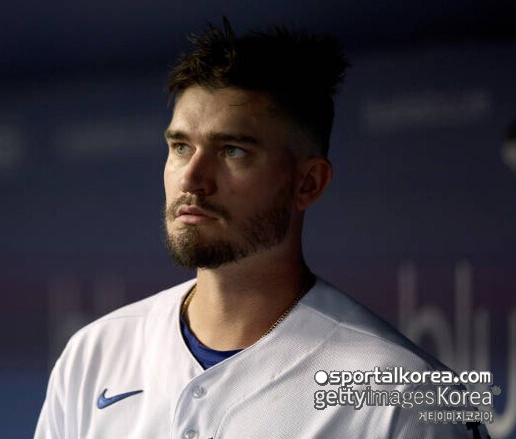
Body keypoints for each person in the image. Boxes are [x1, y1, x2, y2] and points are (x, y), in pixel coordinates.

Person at [35, 18, 490, 438]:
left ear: (308, 183)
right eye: (180, 147)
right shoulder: (94, 356)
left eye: (232, 151)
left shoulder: (403, 396)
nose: (192, 178)